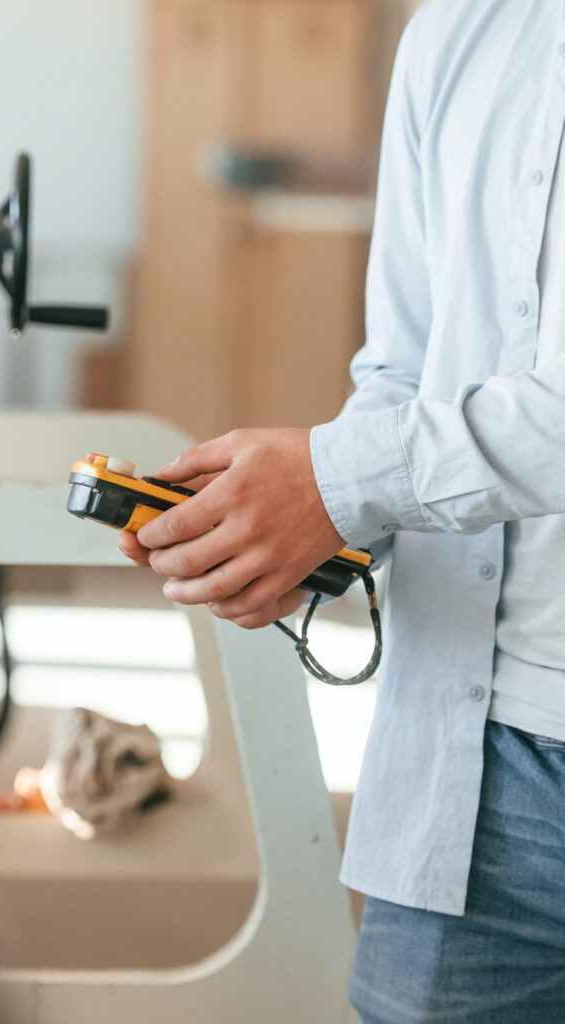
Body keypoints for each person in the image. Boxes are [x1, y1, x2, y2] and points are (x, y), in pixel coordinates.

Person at [120, 2, 565, 1020]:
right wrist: (269, 521)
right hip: (467, 767)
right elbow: (404, 374)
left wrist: (336, 480)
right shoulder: (455, 31)